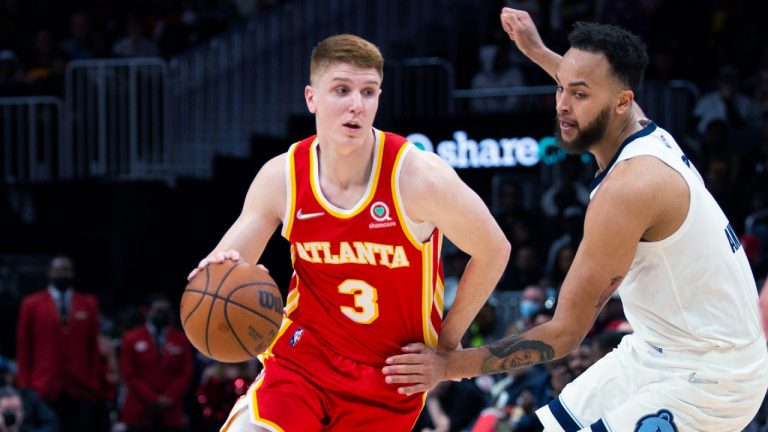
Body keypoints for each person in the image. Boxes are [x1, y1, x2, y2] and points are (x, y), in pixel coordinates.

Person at [383, 9, 768, 431]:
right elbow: (590, 82)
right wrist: (536, 51)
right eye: (561, 88)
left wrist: (449, 366)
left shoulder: (630, 188)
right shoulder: (637, 124)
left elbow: (565, 334)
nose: (563, 105)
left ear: (622, 102)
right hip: (657, 352)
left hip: (713, 379)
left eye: (578, 95)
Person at [186, 34, 510, 431]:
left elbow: (494, 249)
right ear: (312, 98)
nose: (357, 104)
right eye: (341, 90)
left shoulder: (418, 178)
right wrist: (214, 276)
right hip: (301, 363)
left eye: (368, 92)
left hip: (388, 380)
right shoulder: (283, 177)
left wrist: (445, 348)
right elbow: (227, 267)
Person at [16, 256, 105, 432]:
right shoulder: (31, 304)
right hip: (43, 385)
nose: (62, 274)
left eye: (66, 270)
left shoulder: (88, 303)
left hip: (80, 385)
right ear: (49, 273)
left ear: (73, 274)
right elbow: (24, 348)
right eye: (58, 270)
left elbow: (93, 348)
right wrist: (25, 386)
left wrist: (93, 382)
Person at [119, 293, 193, 432]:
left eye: (166, 311)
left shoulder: (181, 339)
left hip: (171, 412)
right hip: (139, 411)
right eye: (159, 311)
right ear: (147, 311)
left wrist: (169, 397)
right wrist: (154, 399)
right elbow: (129, 375)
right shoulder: (131, 338)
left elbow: (186, 373)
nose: (162, 315)